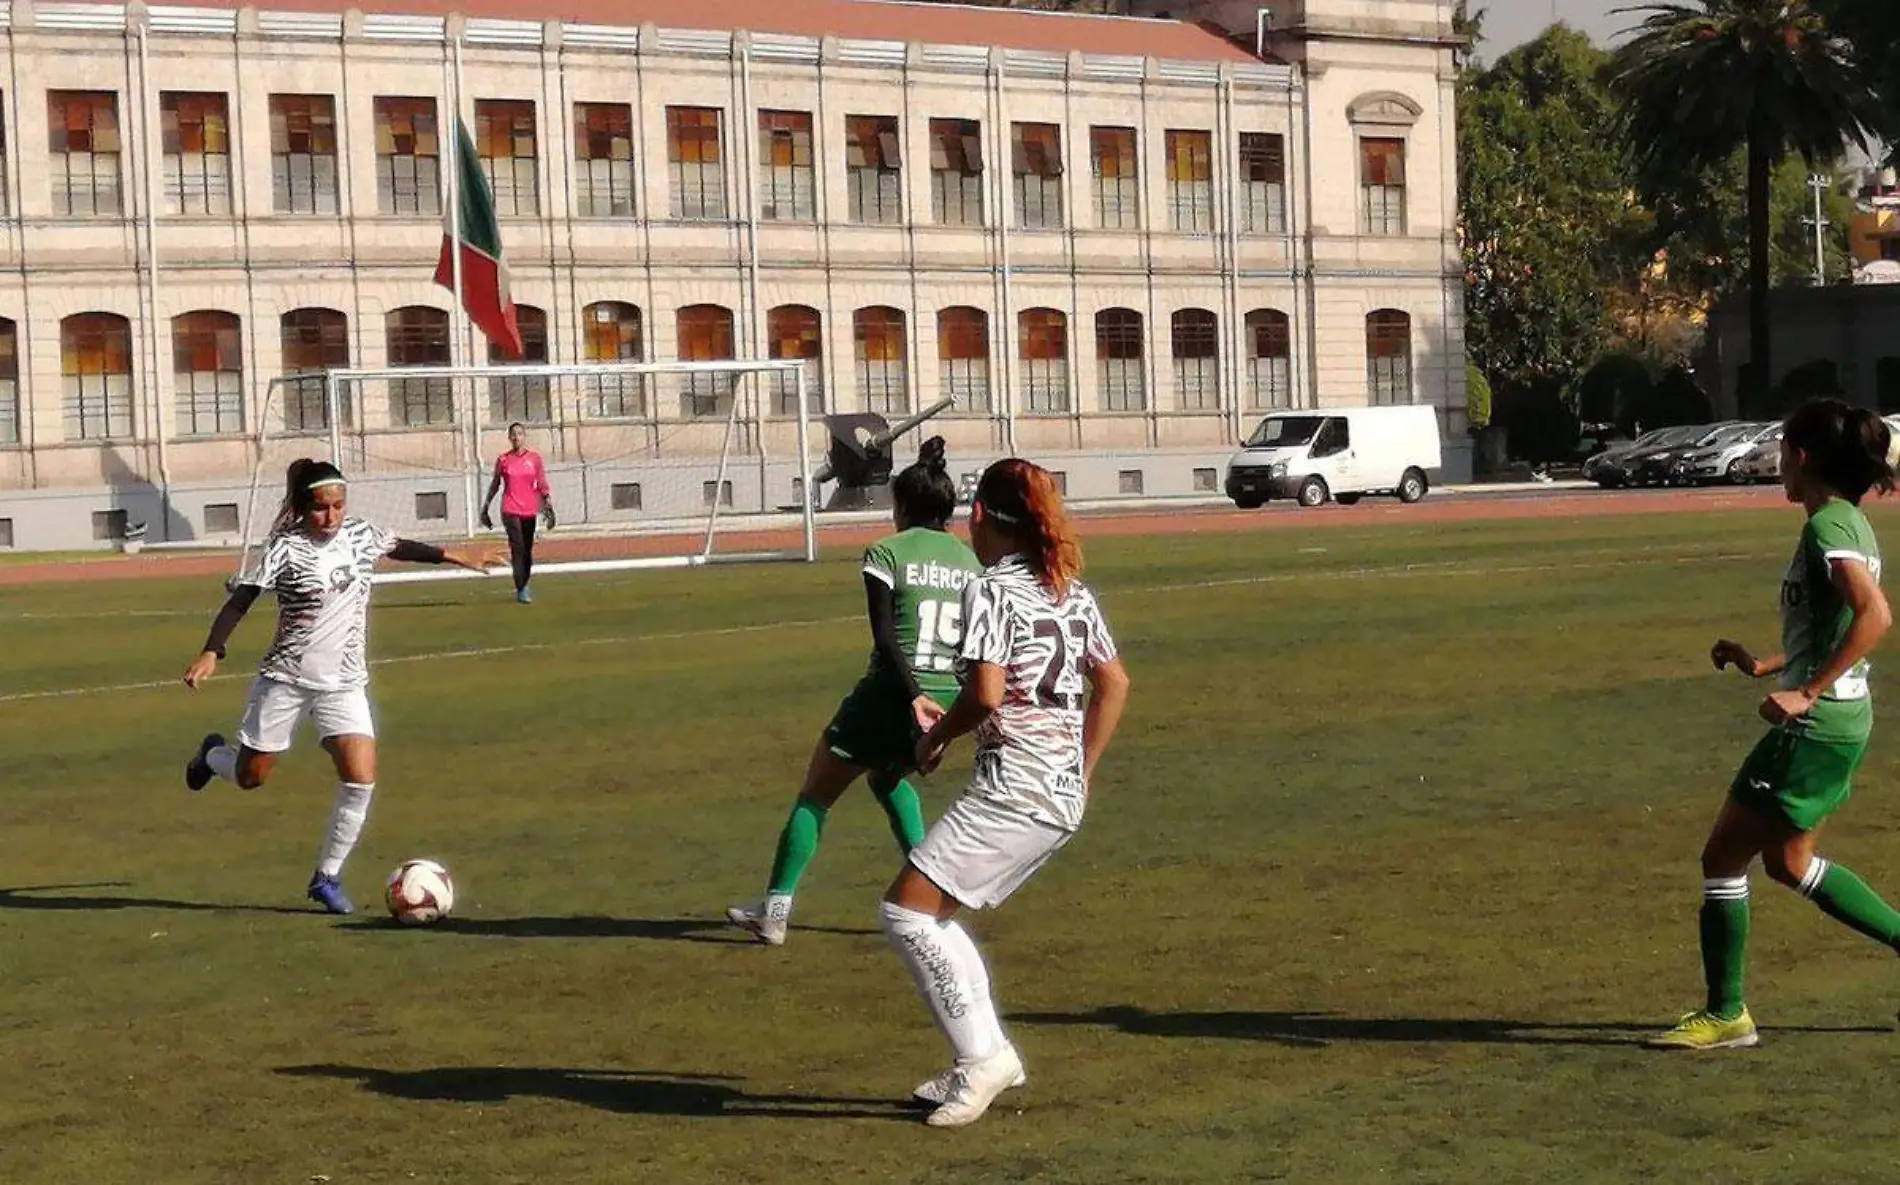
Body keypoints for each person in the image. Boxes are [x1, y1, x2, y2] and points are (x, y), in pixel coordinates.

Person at [879, 457, 1131, 1127]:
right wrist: (1083, 767)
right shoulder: (1067, 588)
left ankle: (982, 1057)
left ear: (981, 516)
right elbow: (1115, 683)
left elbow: (988, 692)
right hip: (1056, 796)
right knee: (933, 914)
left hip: (1013, 789)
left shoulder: (990, 587)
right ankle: (985, 1054)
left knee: (906, 913)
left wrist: (937, 738)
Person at [1650, 397, 1900, 1050]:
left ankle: (1726, 1011)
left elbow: (1875, 616)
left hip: (1820, 722)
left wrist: (1806, 691)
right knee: (1789, 862)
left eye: (1784, 448)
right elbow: (1836, 623)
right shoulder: (1846, 521)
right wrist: (1771, 665)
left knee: (1721, 856)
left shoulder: (1828, 530)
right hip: (1843, 716)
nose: (1777, 461)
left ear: (1803, 456)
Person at [181, 458, 499, 914]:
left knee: (361, 779)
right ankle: (212, 756)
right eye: (320, 508)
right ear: (302, 507)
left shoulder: (360, 535)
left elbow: (400, 546)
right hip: (287, 680)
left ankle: (326, 877)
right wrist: (213, 650)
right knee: (251, 778)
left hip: (344, 683)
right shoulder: (284, 549)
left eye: (338, 506)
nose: (331, 517)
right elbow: (242, 600)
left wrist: (456, 555)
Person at [726, 437, 980, 946]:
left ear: (903, 506)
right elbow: (977, 649)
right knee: (886, 778)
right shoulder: (971, 564)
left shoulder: (887, 551)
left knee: (817, 791)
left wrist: (910, 696)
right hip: (946, 700)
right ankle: (929, 901)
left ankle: (774, 911)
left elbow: (886, 640)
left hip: (894, 693)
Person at [480, 422, 555, 604]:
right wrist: (486, 507)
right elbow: (495, 484)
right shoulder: (504, 460)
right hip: (510, 509)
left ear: (524, 436)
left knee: (527, 550)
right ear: (509, 437)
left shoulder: (534, 459)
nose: (516, 438)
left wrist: (548, 505)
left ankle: (524, 580)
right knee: (518, 547)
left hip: (530, 509)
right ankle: (521, 588)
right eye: (513, 434)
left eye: (519, 434)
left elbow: (542, 483)